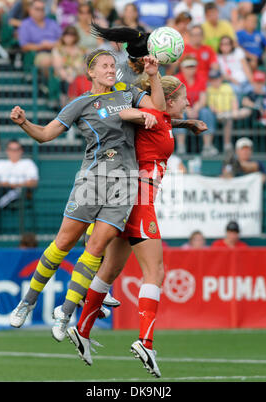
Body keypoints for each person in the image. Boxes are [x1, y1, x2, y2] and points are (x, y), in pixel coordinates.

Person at [9, 46, 166, 334]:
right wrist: (24, 123)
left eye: (112, 65)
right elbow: (45, 135)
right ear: (90, 72)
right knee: (63, 244)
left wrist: (153, 76)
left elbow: (158, 109)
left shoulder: (128, 92)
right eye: (104, 66)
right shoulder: (80, 103)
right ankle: (27, 301)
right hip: (92, 180)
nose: (110, 69)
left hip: (125, 184)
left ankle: (65, 315)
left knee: (95, 248)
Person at [65, 74, 207, 376]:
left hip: (128, 196)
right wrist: (153, 76)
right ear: (168, 100)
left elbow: (162, 119)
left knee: (111, 269)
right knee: (155, 272)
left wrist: (188, 123)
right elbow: (134, 115)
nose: (189, 102)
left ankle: (82, 329)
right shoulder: (151, 115)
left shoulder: (161, 119)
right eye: (184, 98)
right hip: (140, 196)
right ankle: (145, 341)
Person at [175, 56, 218, 156]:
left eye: (193, 66)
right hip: (182, 107)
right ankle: (181, 146)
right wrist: (188, 110)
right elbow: (178, 99)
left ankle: (207, 146)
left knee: (206, 112)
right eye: (188, 67)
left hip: (197, 108)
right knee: (179, 114)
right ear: (182, 67)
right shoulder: (177, 79)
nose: (190, 69)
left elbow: (203, 98)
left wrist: (195, 109)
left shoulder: (201, 79)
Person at [0, 140, 39, 210]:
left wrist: (11, 185)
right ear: (7, 151)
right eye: (11, 149)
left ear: (21, 151)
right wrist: (3, 184)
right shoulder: (0, 163)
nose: (14, 152)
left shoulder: (28, 163)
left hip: (17, 192)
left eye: (16, 149)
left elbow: (33, 183)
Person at [206, 69, 251, 152]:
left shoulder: (227, 87)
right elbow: (211, 106)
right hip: (218, 115)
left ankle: (231, 115)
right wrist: (220, 112)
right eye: (212, 79)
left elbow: (234, 101)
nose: (214, 81)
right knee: (228, 120)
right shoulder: (209, 89)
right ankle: (227, 145)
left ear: (220, 79)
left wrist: (234, 111)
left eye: (216, 79)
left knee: (246, 111)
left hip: (230, 113)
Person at [18, 0, 62, 71]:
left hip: (57, 51)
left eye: (42, 9)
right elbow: (24, 46)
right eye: (37, 9)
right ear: (30, 10)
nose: (40, 12)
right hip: (38, 54)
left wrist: (52, 45)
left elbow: (63, 39)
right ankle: (55, 81)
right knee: (48, 61)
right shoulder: (25, 25)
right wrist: (41, 46)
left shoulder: (52, 22)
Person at [242, 70, 266, 152]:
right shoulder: (251, 94)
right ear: (254, 83)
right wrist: (257, 107)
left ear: (264, 83)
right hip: (255, 117)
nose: (259, 85)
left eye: (261, 82)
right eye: (257, 82)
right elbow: (245, 101)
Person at [52, 25, 85, 107]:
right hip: (63, 78)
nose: (69, 37)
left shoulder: (81, 50)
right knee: (66, 83)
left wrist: (75, 76)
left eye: (71, 35)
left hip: (78, 76)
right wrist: (67, 77)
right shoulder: (58, 49)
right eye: (67, 35)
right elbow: (58, 67)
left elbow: (83, 66)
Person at [217, 35, 253, 99]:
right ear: (220, 46)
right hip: (230, 83)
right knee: (236, 91)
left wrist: (252, 82)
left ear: (231, 45)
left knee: (258, 89)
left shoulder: (238, 52)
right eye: (223, 44)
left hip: (244, 81)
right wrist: (232, 79)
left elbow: (246, 68)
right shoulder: (218, 57)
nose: (225, 46)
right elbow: (221, 74)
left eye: (228, 44)